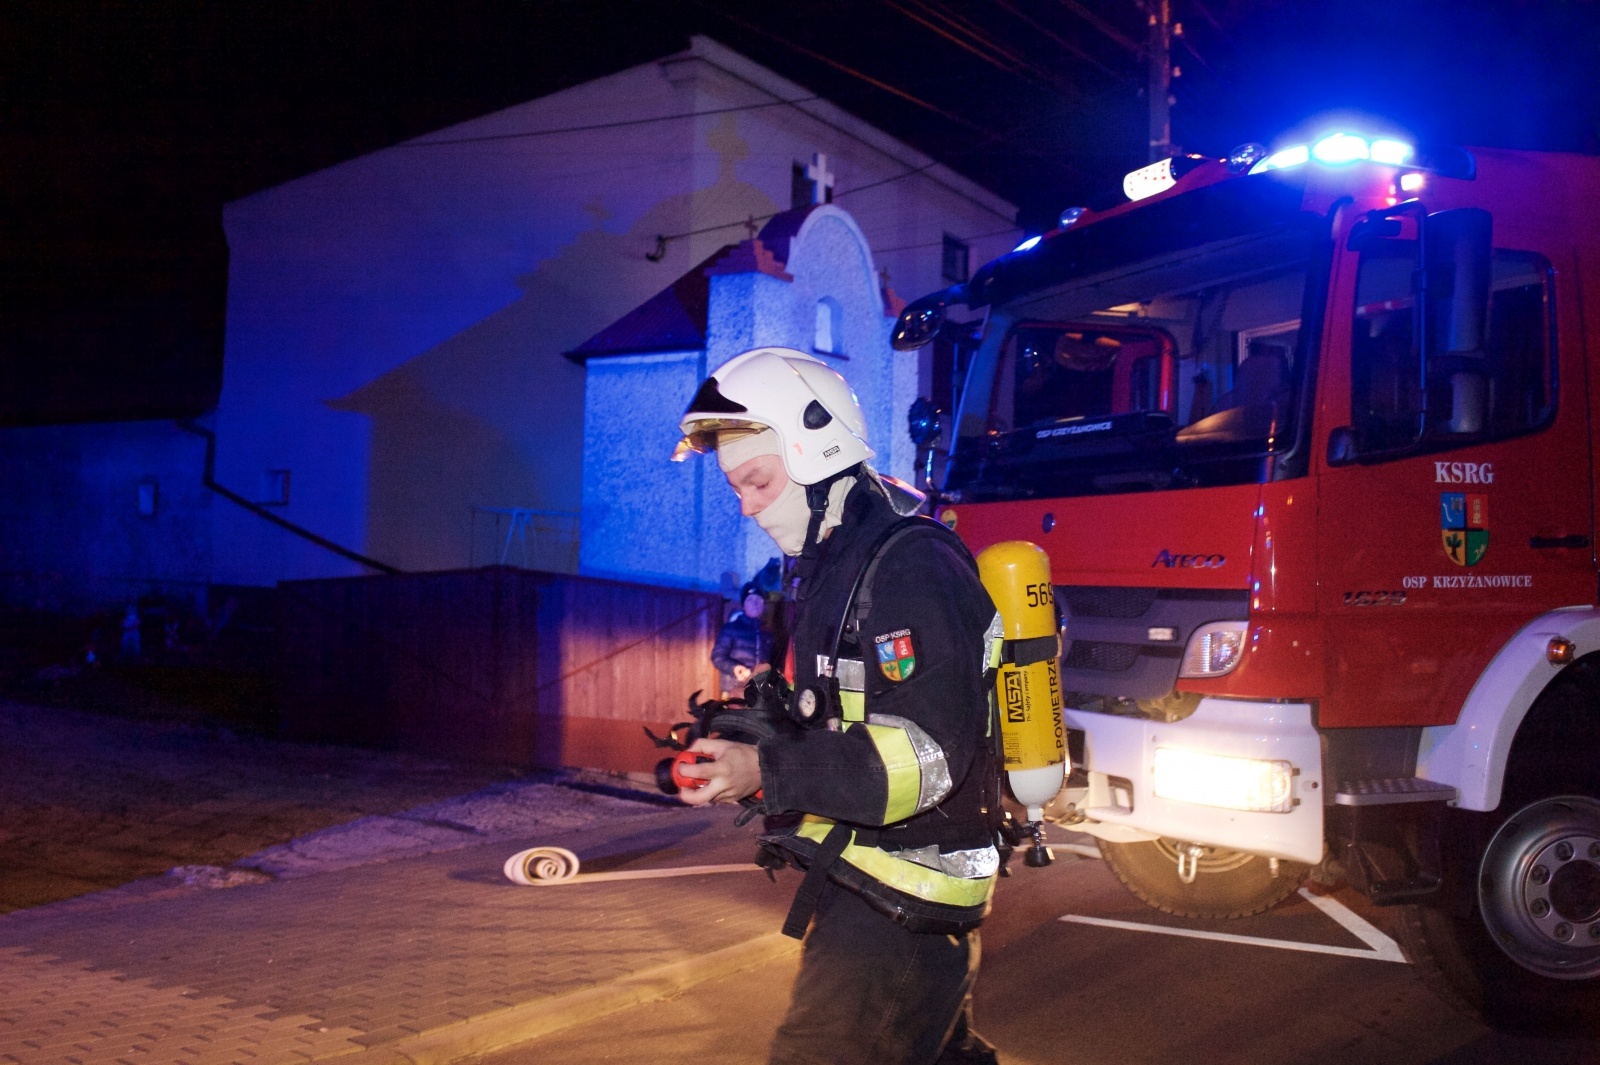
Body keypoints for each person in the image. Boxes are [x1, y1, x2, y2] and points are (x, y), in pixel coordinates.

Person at [672, 346, 1001, 1065]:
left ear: (814, 447)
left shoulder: (912, 564)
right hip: (868, 874)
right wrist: (751, 734)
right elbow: (843, 713)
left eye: (755, 481)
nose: (747, 506)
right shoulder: (831, 564)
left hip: (905, 896)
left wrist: (769, 766)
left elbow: (927, 754)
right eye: (737, 488)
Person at [712, 582, 772, 699]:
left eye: (759, 600)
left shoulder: (767, 633)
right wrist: (734, 668)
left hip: (758, 690)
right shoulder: (730, 629)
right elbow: (717, 657)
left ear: (763, 605)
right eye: (750, 600)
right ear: (744, 605)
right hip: (734, 689)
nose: (755, 604)